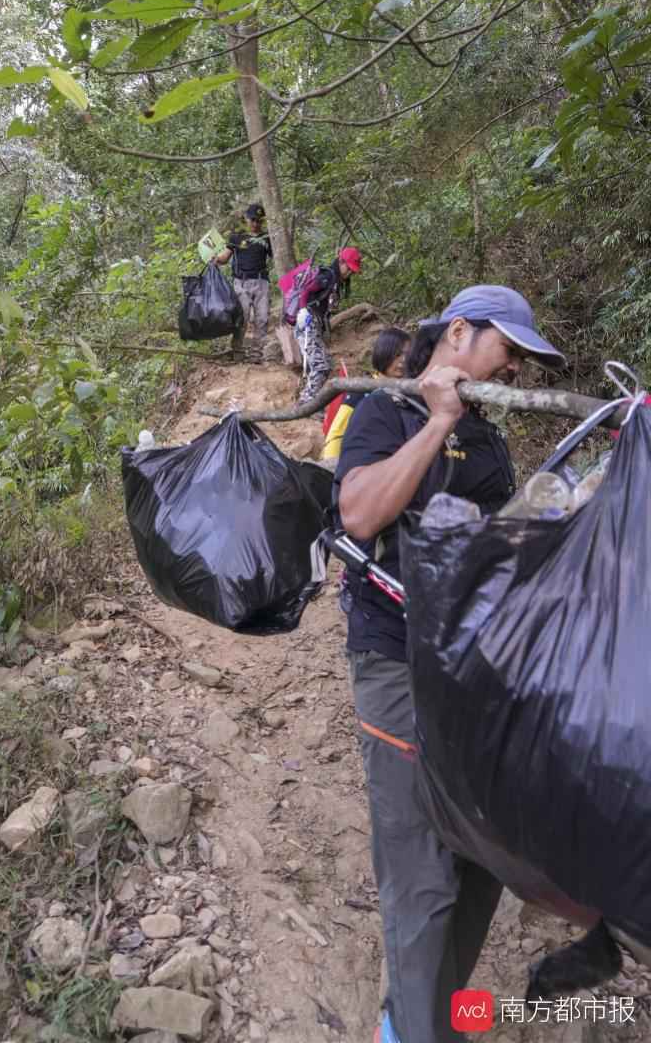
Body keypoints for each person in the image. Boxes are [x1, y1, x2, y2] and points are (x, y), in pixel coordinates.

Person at [334, 286, 566, 1043]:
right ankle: (410, 1031)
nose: (516, 366)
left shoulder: (491, 439)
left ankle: (418, 1014)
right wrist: (438, 420)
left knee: (484, 859)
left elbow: (503, 546)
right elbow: (362, 514)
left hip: (476, 672)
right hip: (397, 665)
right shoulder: (386, 413)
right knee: (421, 871)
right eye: (509, 348)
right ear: (459, 334)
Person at [321, 327, 412, 464]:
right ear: (384, 353)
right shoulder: (361, 392)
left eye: (407, 355)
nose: (403, 360)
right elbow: (337, 435)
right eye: (397, 354)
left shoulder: (411, 393)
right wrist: (331, 468)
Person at [295, 246, 362, 404]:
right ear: (341, 262)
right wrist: (303, 310)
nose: (350, 273)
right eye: (349, 268)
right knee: (321, 366)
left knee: (326, 363)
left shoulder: (336, 281)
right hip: (307, 323)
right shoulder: (327, 276)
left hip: (316, 326)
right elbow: (305, 290)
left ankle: (310, 399)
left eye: (353, 270)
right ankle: (305, 403)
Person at [213, 203, 272, 363]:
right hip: (241, 282)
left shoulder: (267, 238)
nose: (255, 224)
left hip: (261, 282)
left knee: (262, 318)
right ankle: (237, 351)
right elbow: (225, 256)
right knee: (242, 317)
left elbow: (277, 256)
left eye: (259, 221)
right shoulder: (236, 237)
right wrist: (217, 259)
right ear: (246, 219)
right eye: (253, 220)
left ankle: (256, 354)